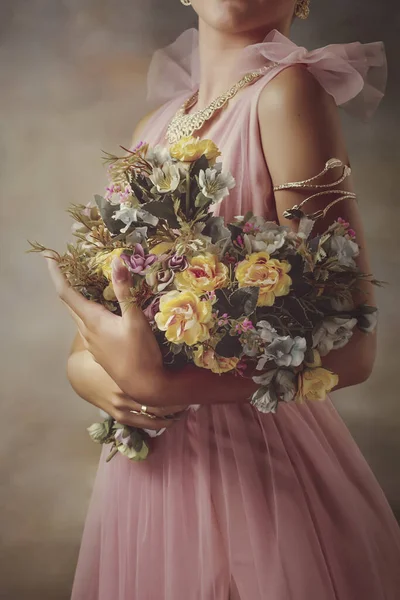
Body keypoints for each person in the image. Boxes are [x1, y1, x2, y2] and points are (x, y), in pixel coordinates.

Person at [47, 1, 400, 598]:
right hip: (152, 473)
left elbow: (353, 347)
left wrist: (164, 387)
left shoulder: (288, 95)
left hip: (258, 466)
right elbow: (109, 311)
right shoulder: (153, 128)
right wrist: (84, 369)